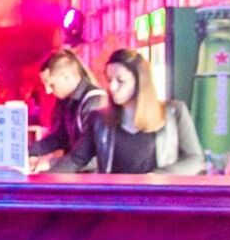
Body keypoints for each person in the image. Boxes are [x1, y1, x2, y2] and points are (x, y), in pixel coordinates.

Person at [53, 48, 205, 175]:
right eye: (109, 80)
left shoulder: (174, 113)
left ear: (140, 81)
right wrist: (45, 180)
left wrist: (159, 176)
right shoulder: (99, 119)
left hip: (160, 199)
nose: (112, 87)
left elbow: (195, 160)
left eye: (121, 81)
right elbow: (75, 159)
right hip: (116, 199)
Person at [29, 47, 107, 170]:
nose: (48, 91)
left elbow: (95, 157)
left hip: (95, 178)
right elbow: (59, 138)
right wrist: (27, 153)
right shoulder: (67, 102)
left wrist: (51, 164)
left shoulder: (94, 102)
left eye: (51, 85)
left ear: (66, 77)